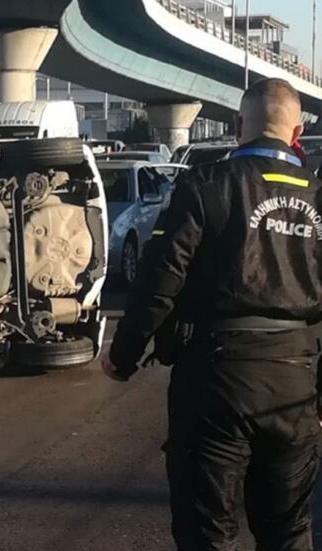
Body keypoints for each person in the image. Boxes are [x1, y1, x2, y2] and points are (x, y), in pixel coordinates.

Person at [103, 78, 322, 550]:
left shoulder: (206, 185)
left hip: (215, 379)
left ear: (239, 125)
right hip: (295, 382)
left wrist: (122, 356)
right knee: (289, 531)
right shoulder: (317, 195)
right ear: (296, 132)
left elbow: (160, 280)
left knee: (208, 533)